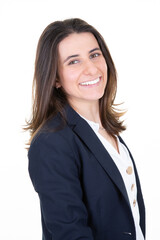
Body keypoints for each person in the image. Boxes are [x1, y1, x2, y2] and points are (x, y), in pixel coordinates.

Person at [26, 18, 145, 240]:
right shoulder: (52, 142)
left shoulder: (107, 133)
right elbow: (70, 233)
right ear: (55, 78)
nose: (91, 68)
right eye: (73, 62)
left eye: (94, 55)